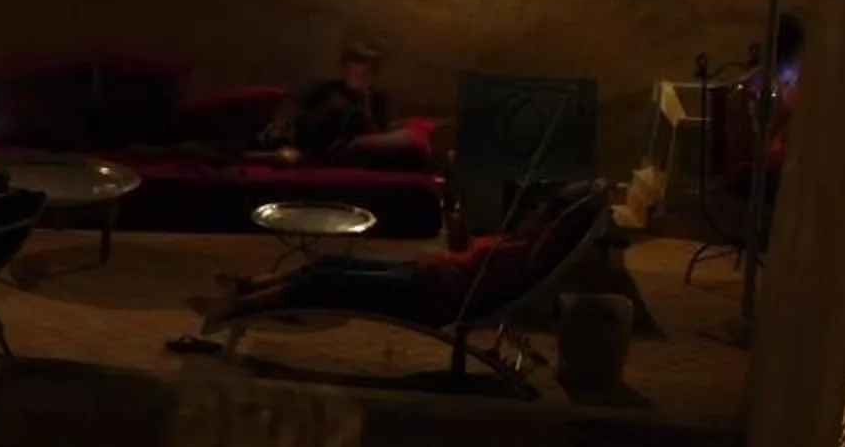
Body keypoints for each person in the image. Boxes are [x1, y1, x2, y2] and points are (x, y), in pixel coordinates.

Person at [189, 180, 604, 332]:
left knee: (325, 285)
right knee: (328, 263)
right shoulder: (516, 246)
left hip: (426, 295)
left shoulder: (523, 259)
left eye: (537, 214)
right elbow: (466, 261)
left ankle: (234, 308)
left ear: (545, 226)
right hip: (423, 274)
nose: (528, 215)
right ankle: (248, 287)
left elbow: (470, 286)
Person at [258, 39, 411, 163]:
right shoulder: (327, 89)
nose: (356, 78)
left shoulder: (378, 99)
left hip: (338, 151)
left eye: (363, 74)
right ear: (344, 69)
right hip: (305, 141)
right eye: (351, 72)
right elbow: (295, 111)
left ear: (373, 74)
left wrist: (365, 105)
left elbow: (377, 138)